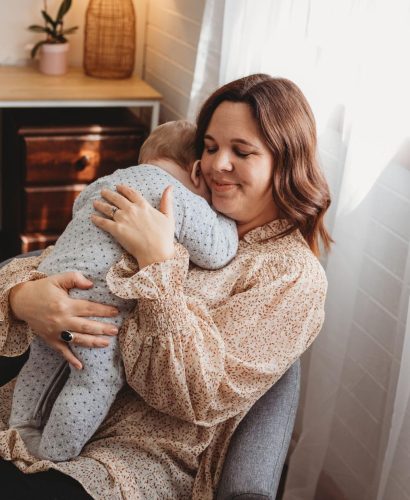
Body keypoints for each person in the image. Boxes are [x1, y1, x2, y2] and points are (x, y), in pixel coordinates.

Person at [0, 74, 332, 500]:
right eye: (210, 147)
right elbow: (66, 254)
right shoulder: (185, 205)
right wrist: (24, 298)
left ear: (285, 162)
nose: (216, 165)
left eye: (242, 151)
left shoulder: (291, 278)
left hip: (135, 454)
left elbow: (196, 396)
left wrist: (158, 265)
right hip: (46, 393)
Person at [8, 119, 238, 462]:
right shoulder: (177, 200)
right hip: (96, 309)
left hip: (52, 282)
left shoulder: (107, 181)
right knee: (92, 383)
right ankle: (52, 455)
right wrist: (227, 222)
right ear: (195, 171)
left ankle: (19, 429)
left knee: (40, 362)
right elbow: (216, 251)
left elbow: (77, 211)